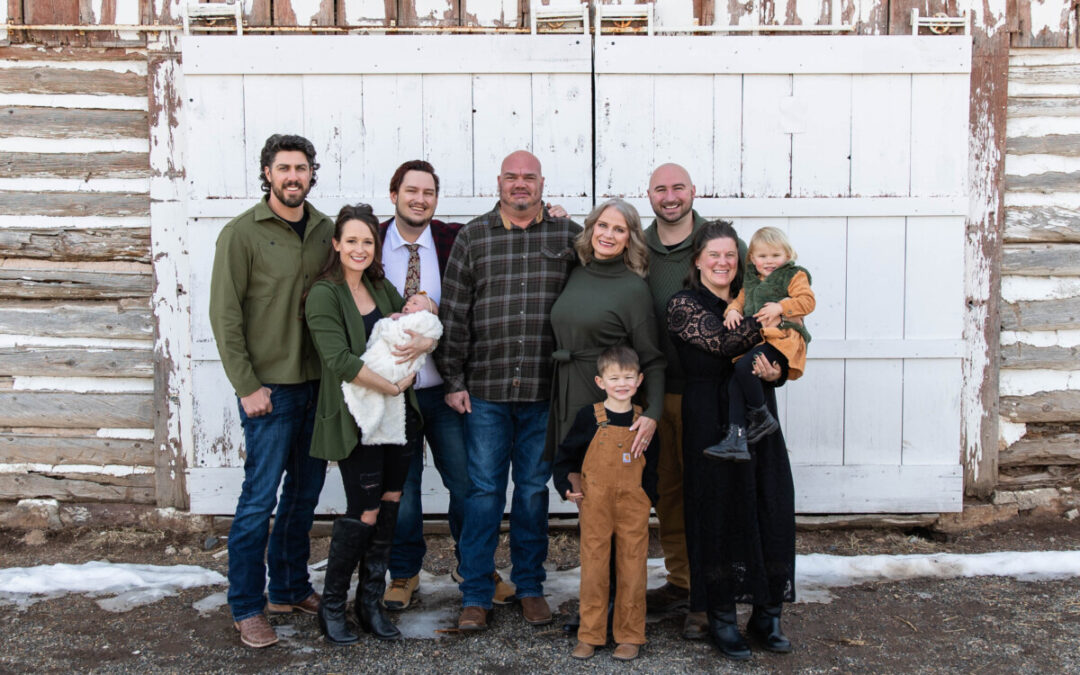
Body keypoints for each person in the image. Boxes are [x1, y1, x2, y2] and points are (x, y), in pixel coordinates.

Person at [437, 150, 581, 631]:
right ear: (499, 182)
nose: (521, 185)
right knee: (482, 494)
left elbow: (598, 285)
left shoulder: (568, 235)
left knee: (533, 493)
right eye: (512, 177)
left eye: (530, 178)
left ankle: (530, 587)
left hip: (545, 391)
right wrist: (453, 380)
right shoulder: (473, 237)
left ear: (543, 184)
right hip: (486, 393)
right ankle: (475, 593)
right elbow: (454, 313)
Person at [209, 134, 333, 649]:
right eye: (283, 168)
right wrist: (247, 385)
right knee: (258, 501)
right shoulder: (241, 233)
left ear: (311, 173)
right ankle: (247, 607)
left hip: (318, 388)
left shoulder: (326, 229)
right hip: (270, 392)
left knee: (303, 498)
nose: (293, 177)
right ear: (267, 173)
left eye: (301, 168)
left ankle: (289, 587)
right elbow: (225, 315)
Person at [377, 161, 512, 612]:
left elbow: (506, 219)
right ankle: (404, 572)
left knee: (468, 484)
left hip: (446, 388)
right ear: (393, 193)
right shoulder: (370, 241)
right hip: (393, 391)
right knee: (405, 490)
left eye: (428, 192)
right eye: (411, 190)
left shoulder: (454, 239)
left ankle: (473, 566)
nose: (420, 199)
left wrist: (549, 211)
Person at [304, 204, 436, 644]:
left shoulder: (382, 287)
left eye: (368, 241)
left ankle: (370, 603)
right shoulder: (325, 293)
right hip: (355, 417)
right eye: (352, 241)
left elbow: (413, 326)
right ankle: (333, 604)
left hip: (398, 419)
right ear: (337, 244)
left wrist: (423, 341)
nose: (360, 249)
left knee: (392, 500)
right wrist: (392, 385)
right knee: (365, 509)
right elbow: (338, 360)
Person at [666, 220, 795, 661]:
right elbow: (723, 344)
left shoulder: (757, 298)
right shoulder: (684, 304)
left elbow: (784, 349)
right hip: (708, 416)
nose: (723, 262)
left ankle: (767, 614)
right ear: (698, 260)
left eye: (730, 256)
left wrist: (778, 370)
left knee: (768, 502)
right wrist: (775, 322)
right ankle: (721, 616)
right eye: (714, 254)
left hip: (757, 412)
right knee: (716, 509)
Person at [642, 163, 748, 638]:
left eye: (678, 187)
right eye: (661, 189)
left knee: (711, 493)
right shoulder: (636, 247)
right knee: (668, 492)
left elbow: (765, 292)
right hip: (657, 391)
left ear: (693, 192)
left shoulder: (718, 244)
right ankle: (683, 580)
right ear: (649, 195)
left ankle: (712, 593)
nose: (670, 196)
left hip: (711, 392)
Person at [553, 346, 659, 662]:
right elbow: (566, 457)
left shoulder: (646, 421)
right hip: (595, 504)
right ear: (601, 382)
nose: (622, 383)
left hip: (633, 504)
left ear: (639, 380)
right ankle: (590, 634)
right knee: (595, 567)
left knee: (632, 567)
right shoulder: (589, 416)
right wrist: (566, 487)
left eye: (628, 377)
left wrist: (649, 497)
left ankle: (629, 635)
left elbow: (654, 465)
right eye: (615, 378)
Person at [710, 226, 815, 461]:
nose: (769, 262)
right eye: (763, 256)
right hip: (762, 341)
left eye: (776, 256)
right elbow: (739, 301)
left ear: (787, 256)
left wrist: (782, 307)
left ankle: (761, 415)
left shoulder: (793, 275)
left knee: (742, 367)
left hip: (783, 339)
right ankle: (736, 438)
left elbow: (807, 301)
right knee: (735, 383)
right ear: (753, 259)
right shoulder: (752, 282)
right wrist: (731, 312)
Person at [340, 292, 442, 446]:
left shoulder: (425, 320)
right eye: (409, 302)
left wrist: (428, 341)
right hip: (399, 384)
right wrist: (390, 319)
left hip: (427, 385)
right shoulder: (384, 289)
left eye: (415, 304)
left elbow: (429, 329)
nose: (408, 304)